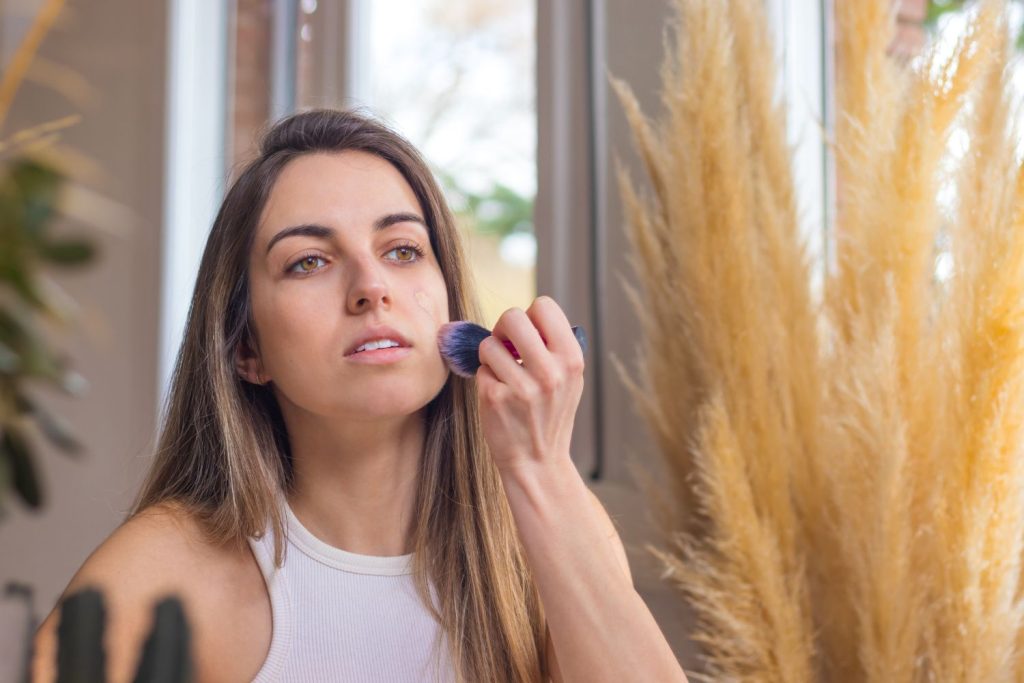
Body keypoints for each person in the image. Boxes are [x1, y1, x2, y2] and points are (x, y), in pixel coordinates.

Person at [31, 108, 688, 682]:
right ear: (247, 350)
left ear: (452, 302)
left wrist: (540, 468)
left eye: (402, 249)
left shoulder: (547, 530)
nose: (371, 285)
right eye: (309, 261)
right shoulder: (169, 573)